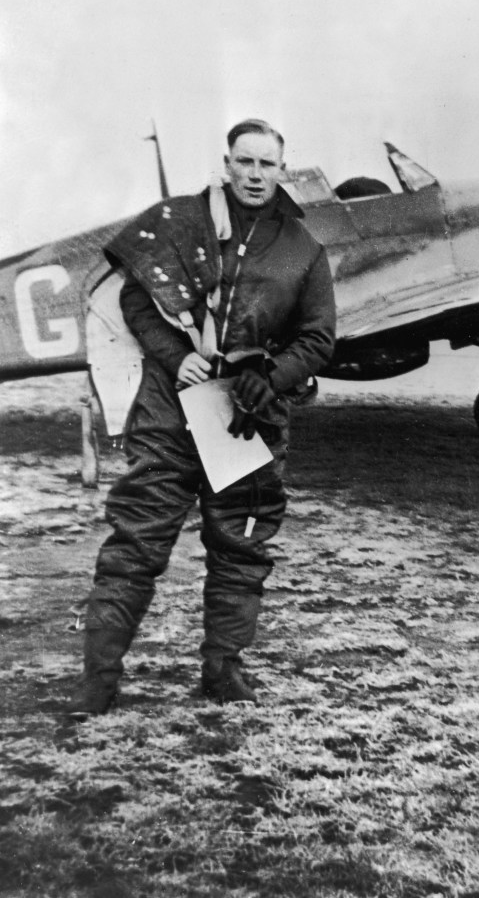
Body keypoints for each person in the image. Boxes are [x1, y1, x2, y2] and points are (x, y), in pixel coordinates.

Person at [69, 119, 336, 718]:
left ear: (282, 171)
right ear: (228, 162)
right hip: (169, 412)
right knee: (134, 545)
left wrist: (266, 378)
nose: (256, 175)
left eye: (267, 165)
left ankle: (223, 670)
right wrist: (179, 356)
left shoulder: (303, 250)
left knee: (240, 545)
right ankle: (98, 681)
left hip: (248, 417)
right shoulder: (180, 219)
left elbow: (318, 339)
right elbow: (136, 297)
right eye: (245, 162)